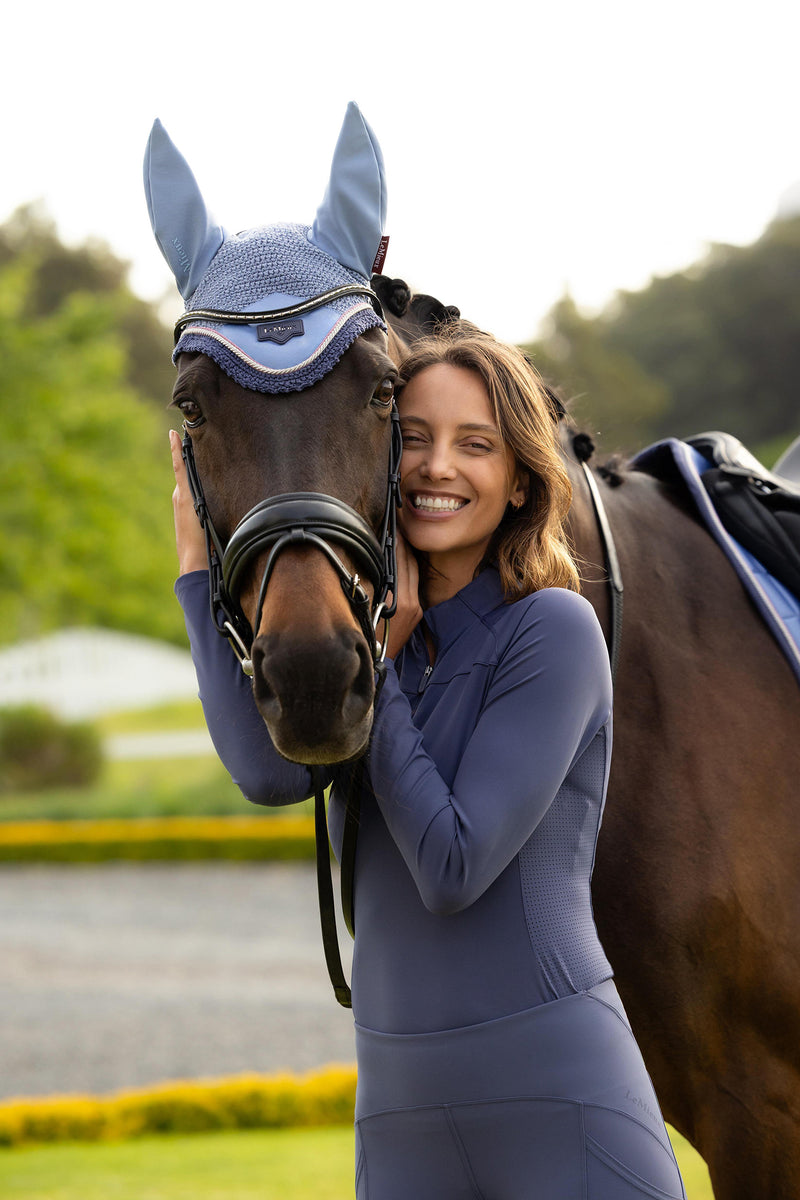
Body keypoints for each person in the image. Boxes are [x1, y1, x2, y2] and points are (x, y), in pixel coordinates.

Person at [170, 323, 686, 1199]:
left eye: (475, 445)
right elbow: (269, 776)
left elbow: (453, 865)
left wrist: (384, 662)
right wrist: (195, 571)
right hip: (400, 1120)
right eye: (413, 439)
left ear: (520, 480)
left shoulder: (553, 631)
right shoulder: (364, 657)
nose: (437, 467)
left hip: (561, 1105)